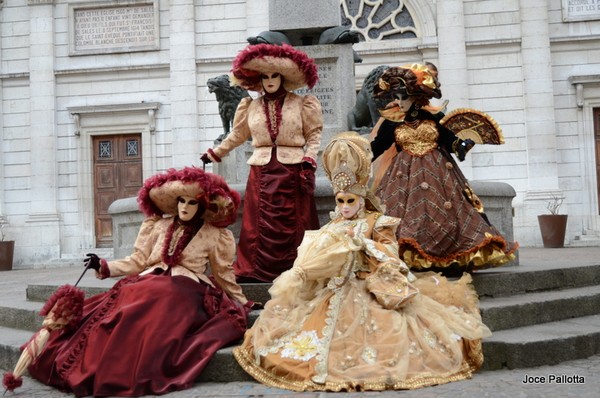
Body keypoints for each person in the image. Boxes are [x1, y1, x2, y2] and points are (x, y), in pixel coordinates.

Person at [233, 132, 491, 392]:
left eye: (350, 201)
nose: (345, 207)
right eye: (340, 201)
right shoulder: (335, 223)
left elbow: (390, 252)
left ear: (361, 199)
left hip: (368, 284)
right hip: (333, 288)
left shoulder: (376, 222)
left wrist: (364, 245)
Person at [27, 166, 255, 397]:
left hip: (187, 289)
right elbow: (138, 260)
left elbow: (223, 272)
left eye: (192, 203)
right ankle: (101, 363)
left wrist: (240, 300)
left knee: (160, 297)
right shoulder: (158, 226)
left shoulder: (216, 235)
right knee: (129, 299)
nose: (185, 207)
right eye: (181, 201)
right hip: (149, 280)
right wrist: (103, 265)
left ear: (203, 205)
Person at [370, 64, 518, 275]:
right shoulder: (392, 122)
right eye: (397, 97)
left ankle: (447, 257)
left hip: (438, 175)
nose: (399, 102)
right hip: (403, 179)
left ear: (416, 97)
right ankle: (408, 256)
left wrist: (462, 144)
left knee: (446, 214)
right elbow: (377, 147)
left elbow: (450, 140)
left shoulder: (433, 118)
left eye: (404, 97)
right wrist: (357, 157)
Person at [201, 43, 323, 283]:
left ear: (283, 77)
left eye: (274, 75)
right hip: (261, 170)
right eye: (265, 76)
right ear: (258, 79)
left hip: (292, 169)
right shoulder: (250, 106)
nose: (269, 81)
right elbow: (237, 135)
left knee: (295, 221)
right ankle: (256, 268)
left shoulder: (302, 103)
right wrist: (215, 153)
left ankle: (298, 267)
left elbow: (314, 134)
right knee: (259, 224)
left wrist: (309, 159)